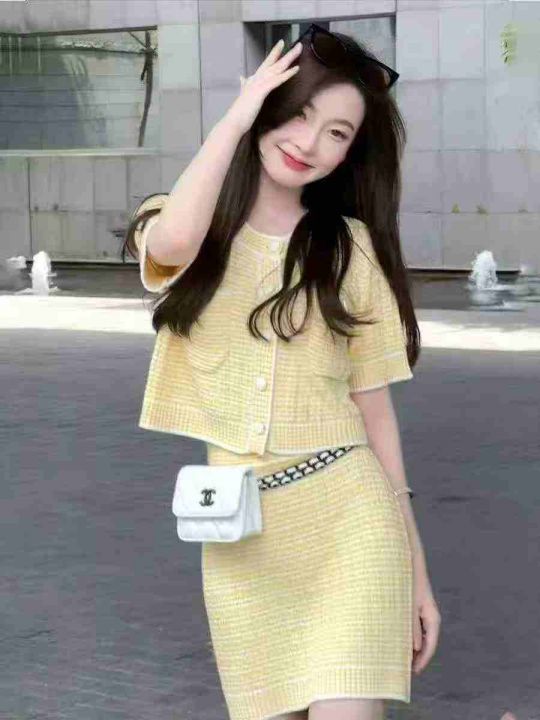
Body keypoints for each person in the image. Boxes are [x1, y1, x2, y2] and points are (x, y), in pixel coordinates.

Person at [122, 24, 441, 720]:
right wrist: (236, 117)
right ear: (265, 107)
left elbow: (376, 411)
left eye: (337, 133)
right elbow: (175, 241)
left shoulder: (350, 248)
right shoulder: (176, 219)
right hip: (242, 540)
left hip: (350, 519)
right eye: (298, 114)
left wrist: (416, 568)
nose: (309, 143)